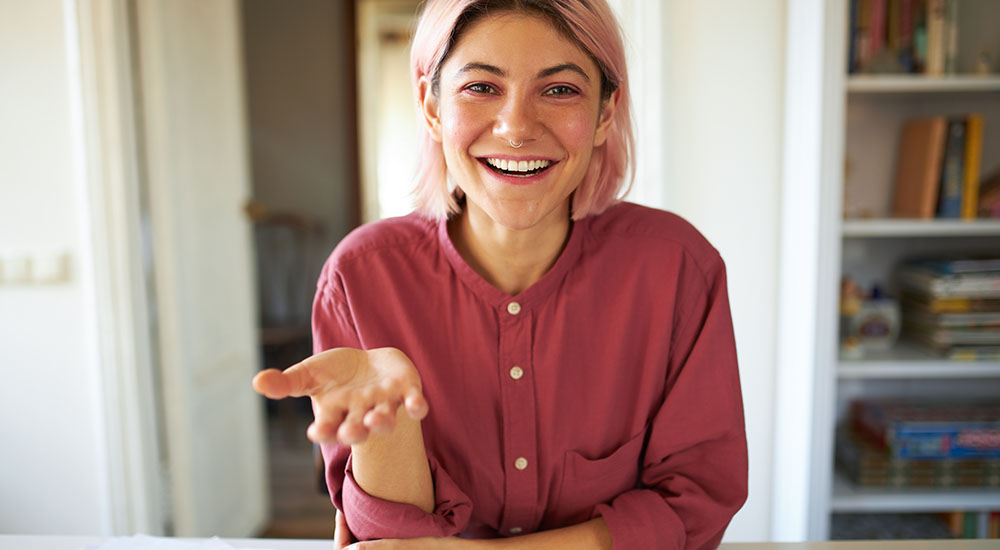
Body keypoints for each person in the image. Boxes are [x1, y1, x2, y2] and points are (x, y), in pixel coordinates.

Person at [252, 0, 748, 548]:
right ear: (431, 106)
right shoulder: (360, 278)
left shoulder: (678, 269)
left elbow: (695, 505)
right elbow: (392, 542)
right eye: (481, 87)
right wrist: (387, 437)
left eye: (559, 90)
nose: (516, 128)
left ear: (606, 113)